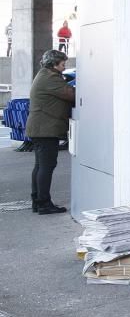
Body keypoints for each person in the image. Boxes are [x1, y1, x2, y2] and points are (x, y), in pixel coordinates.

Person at [25, 49, 74, 214]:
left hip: (39, 128)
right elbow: (71, 94)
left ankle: (37, 201)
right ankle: (44, 204)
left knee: (40, 166)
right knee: (46, 166)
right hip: (45, 129)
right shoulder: (51, 77)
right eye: (62, 64)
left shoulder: (44, 75)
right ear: (54, 64)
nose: (64, 67)